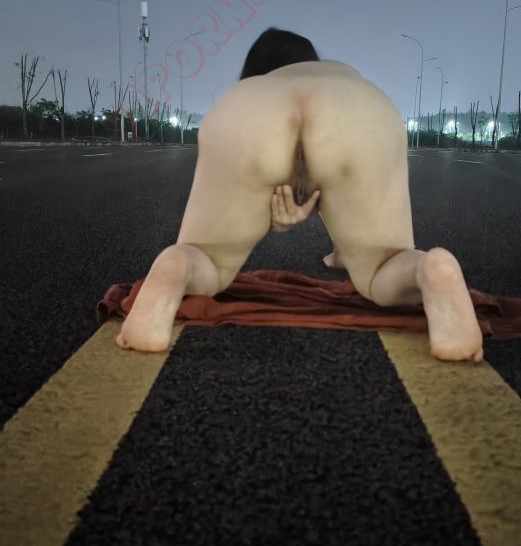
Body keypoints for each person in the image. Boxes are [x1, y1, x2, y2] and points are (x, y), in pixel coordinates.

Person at [116, 27, 483, 362]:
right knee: (384, 268)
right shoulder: (346, 78)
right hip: (359, 109)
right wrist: (349, 248)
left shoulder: (250, 92)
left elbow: (280, 170)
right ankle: (430, 268)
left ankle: (175, 265)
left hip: (247, 115)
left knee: (206, 260)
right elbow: (346, 205)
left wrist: (269, 216)